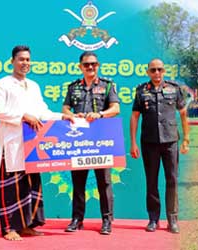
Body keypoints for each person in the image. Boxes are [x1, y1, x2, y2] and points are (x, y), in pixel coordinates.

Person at [0, 45, 74, 241]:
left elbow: (42, 112)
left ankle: (27, 225)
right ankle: (10, 228)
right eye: (21, 59)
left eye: (28, 59)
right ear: (12, 61)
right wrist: (23, 116)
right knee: (11, 187)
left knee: (32, 185)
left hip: (34, 144)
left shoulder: (34, 86)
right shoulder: (3, 84)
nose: (25, 63)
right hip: (13, 143)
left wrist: (63, 116)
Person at [62, 51, 120, 235]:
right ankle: (77, 219)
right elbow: (65, 108)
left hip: (101, 141)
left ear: (98, 65)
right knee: (78, 182)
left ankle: (106, 220)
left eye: (94, 64)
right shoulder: (73, 87)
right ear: (80, 67)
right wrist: (72, 115)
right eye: (86, 64)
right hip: (79, 141)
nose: (90, 67)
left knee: (104, 182)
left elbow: (116, 108)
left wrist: (100, 114)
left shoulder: (107, 85)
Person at [130, 59, 190, 233]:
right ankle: (153, 219)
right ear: (148, 72)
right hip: (149, 143)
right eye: (153, 70)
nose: (157, 73)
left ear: (164, 71)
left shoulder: (174, 88)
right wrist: (133, 142)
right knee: (151, 181)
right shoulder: (141, 91)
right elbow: (134, 117)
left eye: (160, 70)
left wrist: (186, 138)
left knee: (171, 180)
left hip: (170, 141)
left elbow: (183, 113)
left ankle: (172, 220)